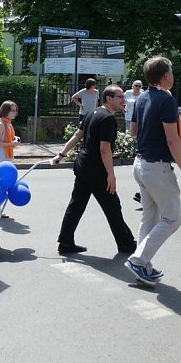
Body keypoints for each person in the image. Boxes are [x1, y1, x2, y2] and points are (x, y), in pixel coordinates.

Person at [126, 57, 181, 286]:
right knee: (173, 218)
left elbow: (133, 131)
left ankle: (143, 263)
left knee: (150, 217)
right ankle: (139, 260)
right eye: (172, 72)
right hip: (157, 167)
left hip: (140, 163)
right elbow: (172, 139)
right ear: (165, 76)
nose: (173, 76)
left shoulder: (141, 97)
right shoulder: (166, 99)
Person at [52, 84, 137, 254]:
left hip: (83, 166)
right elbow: (104, 149)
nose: (123, 100)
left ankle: (66, 242)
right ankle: (126, 243)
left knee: (76, 205)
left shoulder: (93, 112)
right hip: (97, 171)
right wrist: (111, 175)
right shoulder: (107, 119)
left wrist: (61, 155)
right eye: (120, 97)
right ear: (109, 99)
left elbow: (77, 135)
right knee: (112, 206)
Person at [0, 100, 20, 169]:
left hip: (6, 156)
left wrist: (15, 138)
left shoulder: (8, 123)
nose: (15, 113)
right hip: (0, 156)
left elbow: (7, 137)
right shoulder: (1, 124)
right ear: (6, 111)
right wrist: (12, 143)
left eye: (15, 110)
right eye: (12, 110)